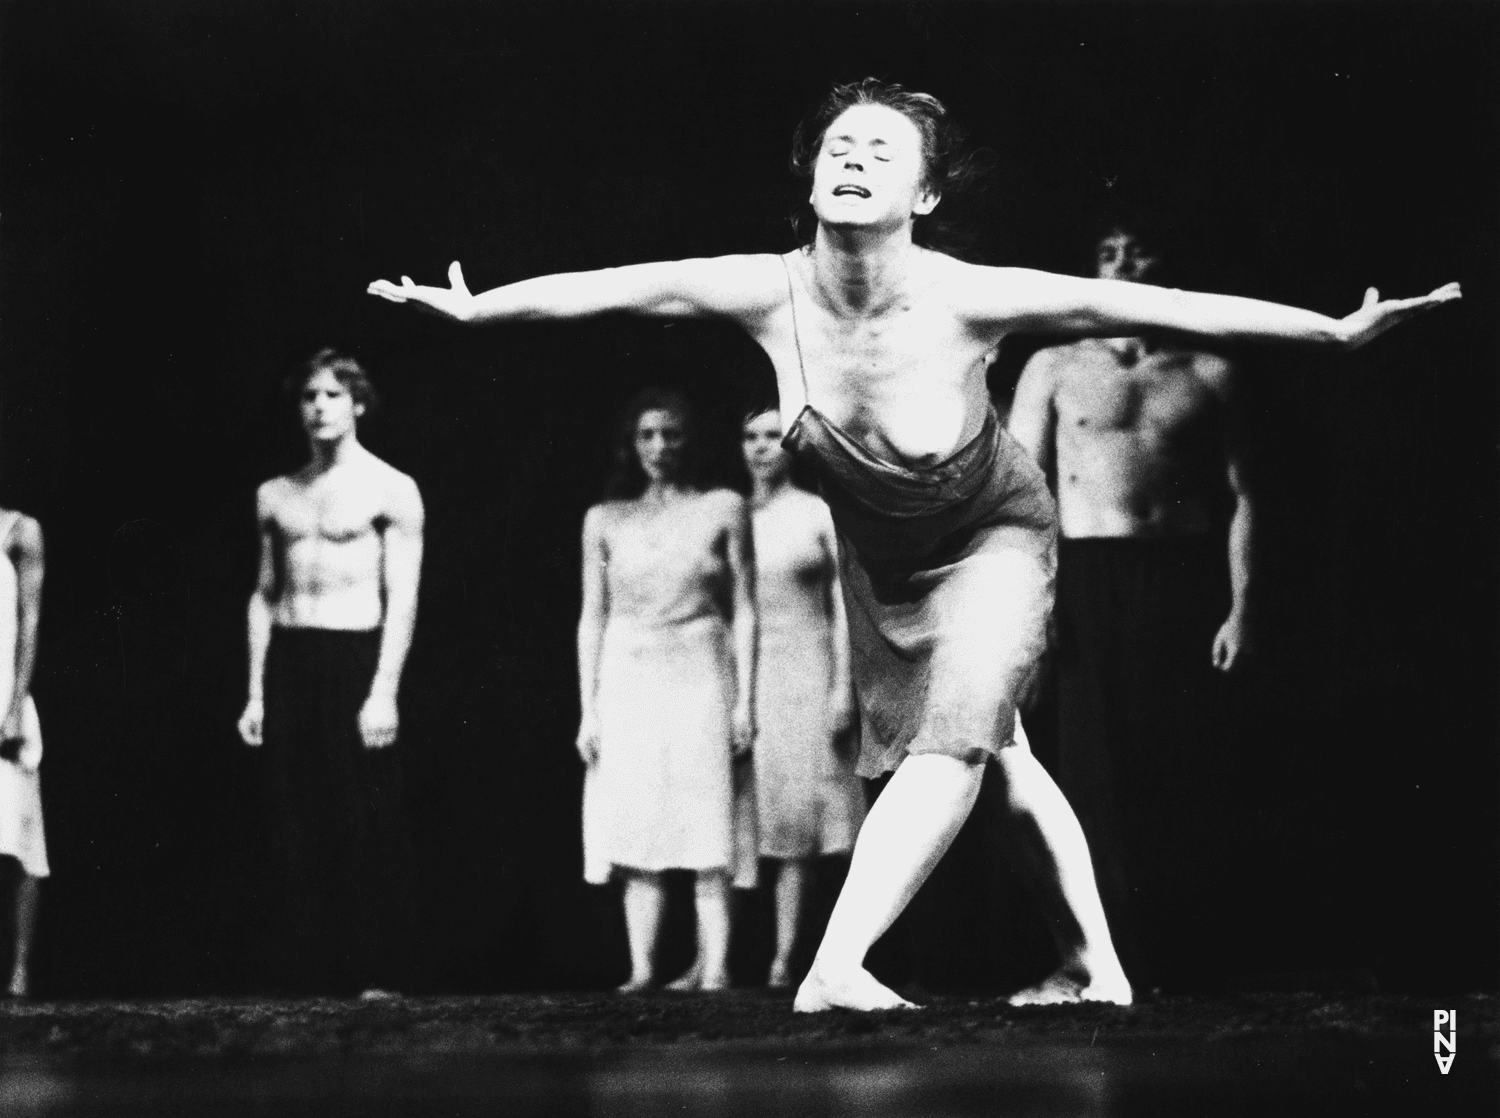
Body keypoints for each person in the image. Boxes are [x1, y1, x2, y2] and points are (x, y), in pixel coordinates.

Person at [368, 78, 1459, 1011]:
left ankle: (837, 960)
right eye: (838, 145)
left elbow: (1167, 307)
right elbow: (616, 287)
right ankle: (1098, 962)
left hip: (995, 538)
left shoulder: (969, 296)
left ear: (924, 195)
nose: (852, 157)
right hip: (882, 563)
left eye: (880, 150)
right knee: (1006, 751)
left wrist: (1330, 328)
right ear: (809, 179)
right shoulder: (765, 289)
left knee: (955, 744)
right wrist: (481, 314)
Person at [1008, 221, 1252, 989]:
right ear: (1093, 267)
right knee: (1091, 776)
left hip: (1180, 575)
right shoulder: (1053, 366)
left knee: (1174, 763)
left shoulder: (1210, 370)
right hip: (1086, 574)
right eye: (1108, 251)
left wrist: (1244, 607)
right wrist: (1037, 609)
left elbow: (1249, 498)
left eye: (1139, 249)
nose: (1124, 262)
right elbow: (1023, 497)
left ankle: (1178, 961)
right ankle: (1090, 962)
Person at [237, 348, 423, 997]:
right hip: (292, 654)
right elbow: (263, 593)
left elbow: (403, 596)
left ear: (359, 403)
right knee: (295, 815)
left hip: (356, 653)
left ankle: (376, 971)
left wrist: (384, 691)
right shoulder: (275, 493)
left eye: (332, 395)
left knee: (364, 817)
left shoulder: (391, 489)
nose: (318, 407)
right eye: (309, 396)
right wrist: (255, 689)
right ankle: (308, 970)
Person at [576, 389, 756, 992]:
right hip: (628, 670)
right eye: (648, 435)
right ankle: (643, 969)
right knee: (636, 814)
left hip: (701, 664)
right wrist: (587, 710)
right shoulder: (604, 519)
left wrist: (745, 702)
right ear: (632, 443)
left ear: (691, 441)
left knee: (707, 812)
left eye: (672, 434)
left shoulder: (724, 506)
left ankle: (717, 967)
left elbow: (746, 608)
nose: (660, 447)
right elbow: (592, 615)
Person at [741, 405, 866, 988]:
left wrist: (844, 686)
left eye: (774, 435)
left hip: (806, 672)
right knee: (748, 817)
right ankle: (720, 957)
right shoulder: (732, 513)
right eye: (751, 436)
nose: (762, 447)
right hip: (743, 676)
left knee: (800, 821)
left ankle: (786, 958)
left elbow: (844, 607)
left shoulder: (815, 512)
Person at [0, 508, 47, 999]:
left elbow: (30, 618)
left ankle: (19, 972)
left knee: (18, 840)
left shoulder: (19, 530)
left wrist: (14, 705)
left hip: (3, 696)